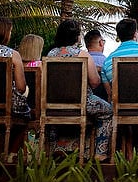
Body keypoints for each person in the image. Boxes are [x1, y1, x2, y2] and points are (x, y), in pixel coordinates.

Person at [45, 18, 113, 161]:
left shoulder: (50, 54)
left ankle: (52, 148)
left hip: (52, 105)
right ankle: (100, 153)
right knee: (108, 111)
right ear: (77, 36)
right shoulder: (82, 54)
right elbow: (95, 82)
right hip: (82, 102)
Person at [85, 28, 109, 100]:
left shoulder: (81, 62)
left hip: (83, 101)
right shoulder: (108, 62)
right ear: (101, 43)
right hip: (105, 101)